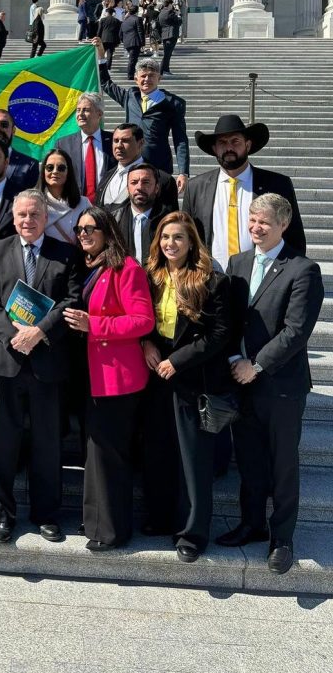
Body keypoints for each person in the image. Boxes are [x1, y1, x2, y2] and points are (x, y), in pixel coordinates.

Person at [216, 194, 324, 575]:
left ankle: (282, 538)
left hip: (280, 385)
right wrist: (233, 359)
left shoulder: (302, 269)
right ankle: (251, 524)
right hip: (241, 379)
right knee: (248, 459)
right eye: (252, 219)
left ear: (283, 223)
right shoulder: (238, 263)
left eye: (264, 222)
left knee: (281, 463)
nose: (255, 227)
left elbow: (295, 332)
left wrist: (256, 365)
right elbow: (228, 319)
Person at [0, 189, 83, 545]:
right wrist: (14, 335)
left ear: (45, 218)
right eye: (21, 215)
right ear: (14, 216)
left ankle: (47, 515)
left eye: (34, 215)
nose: (27, 221)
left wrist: (39, 332)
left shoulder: (65, 254)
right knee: (1, 445)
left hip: (47, 364)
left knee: (47, 444)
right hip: (4, 363)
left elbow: (71, 299)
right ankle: (2, 517)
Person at [62, 207, 154, 550]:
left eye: (91, 228)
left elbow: (142, 320)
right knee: (94, 452)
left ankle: (112, 531)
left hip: (117, 378)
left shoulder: (126, 268)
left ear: (107, 230)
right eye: (79, 229)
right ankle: (95, 522)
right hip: (90, 376)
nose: (84, 234)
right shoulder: (88, 267)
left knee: (110, 455)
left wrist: (95, 325)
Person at [141, 212, 232, 562]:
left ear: (192, 241)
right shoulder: (153, 276)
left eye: (178, 237)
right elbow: (145, 319)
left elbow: (220, 334)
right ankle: (161, 518)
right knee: (159, 451)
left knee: (192, 459)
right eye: (165, 238)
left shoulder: (211, 281)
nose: (171, 244)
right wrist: (146, 344)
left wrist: (177, 360)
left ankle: (192, 533)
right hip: (155, 375)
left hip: (191, 377)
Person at [182, 115, 306, 270]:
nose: (229, 148)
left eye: (235, 141)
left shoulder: (277, 184)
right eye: (222, 142)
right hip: (211, 278)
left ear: (247, 145)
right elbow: (187, 235)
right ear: (214, 149)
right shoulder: (196, 188)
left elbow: (294, 237)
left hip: (262, 277)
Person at [92, 43, 190, 191]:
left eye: (152, 76)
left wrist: (183, 172)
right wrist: (101, 57)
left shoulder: (173, 104)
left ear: (159, 78)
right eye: (143, 76)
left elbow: (180, 139)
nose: (147, 79)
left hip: (159, 167)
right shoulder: (130, 96)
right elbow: (106, 83)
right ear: (136, 79)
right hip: (131, 167)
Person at [96, 123, 179, 212]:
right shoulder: (106, 177)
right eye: (116, 141)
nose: (119, 146)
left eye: (125, 140)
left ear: (140, 143)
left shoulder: (162, 180)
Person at [54, 93, 115, 200]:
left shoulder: (114, 141)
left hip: (106, 206)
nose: (80, 114)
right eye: (78, 110)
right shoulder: (63, 144)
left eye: (86, 110)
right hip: (73, 205)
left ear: (99, 114)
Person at [113, 163, 176, 264]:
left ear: (157, 188)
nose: (139, 187)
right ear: (127, 188)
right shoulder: (115, 219)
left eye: (146, 182)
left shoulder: (170, 220)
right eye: (134, 182)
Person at [37, 148, 91, 244]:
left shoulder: (83, 204)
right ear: (43, 171)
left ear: (68, 172)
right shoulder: (34, 203)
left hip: (74, 258)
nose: (55, 171)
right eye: (50, 167)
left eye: (61, 168)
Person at [119, 5, 145, 80]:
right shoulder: (137, 19)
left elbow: (120, 33)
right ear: (136, 11)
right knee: (133, 59)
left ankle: (133, 73)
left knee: (133, 59)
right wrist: (142, 43)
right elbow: (140, 31)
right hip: (135, 41)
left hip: (127, 42)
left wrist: (123, 40)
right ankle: (130, 75)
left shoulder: (125, 21)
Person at [157, 0, 182, 76]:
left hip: (164, 35)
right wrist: (179, 15)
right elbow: (178, 22)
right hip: (171, 35)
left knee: (167, 54)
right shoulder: (170, 12)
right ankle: (161, 71)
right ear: (170, 4)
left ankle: (166, 70)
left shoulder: (161, 13)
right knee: (167, 54)